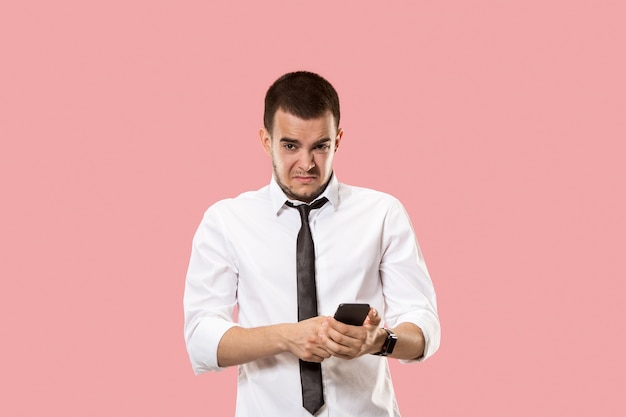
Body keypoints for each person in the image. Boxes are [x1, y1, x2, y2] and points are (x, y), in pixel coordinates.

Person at [184, 71, 440, 417]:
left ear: (338, 140)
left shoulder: (382, 213)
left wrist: (378, 341)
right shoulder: (226, 221)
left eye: (320, 146)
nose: (306, 163)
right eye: (290, 145)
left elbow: (423, 325)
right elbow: (201, 337)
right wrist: (287, 337)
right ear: (265, 140)